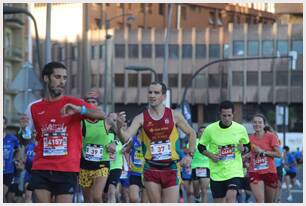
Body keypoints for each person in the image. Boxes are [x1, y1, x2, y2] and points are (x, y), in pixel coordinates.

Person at [23, 61, 109, 203]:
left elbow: (101, 114)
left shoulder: (73, 103)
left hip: (66, 167)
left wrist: (79, 110)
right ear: (46, 78)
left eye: (64, 78)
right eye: (57, 77)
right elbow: (29, 138)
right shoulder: (34, 108)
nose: (62, 81)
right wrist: (23, 131)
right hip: (42, 166)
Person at [117, 81, 196, 203]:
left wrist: (190, 155)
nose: (152, 95)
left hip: (171, 168)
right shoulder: (141, 118)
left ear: (164, 96)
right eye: (150, 92)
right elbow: (126, 137)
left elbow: (192, 133)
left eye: (156, 92)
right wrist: (118, 128)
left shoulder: (174, 115)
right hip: (151, 168)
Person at [198, 100, 250, 203]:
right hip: (217, 173)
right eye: (224, 115)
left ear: (233, 114)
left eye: (229, 115)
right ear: (219, 115)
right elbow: (201, 147)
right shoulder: (210, 129)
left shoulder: (240, 129)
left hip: (234, 171)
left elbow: (248, 146)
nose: (226, 118)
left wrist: (244, 149)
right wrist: (211, 155)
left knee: (231, 197)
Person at [79, 90, 117, 203]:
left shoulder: (106, 121)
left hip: (102, 164)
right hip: (85, 165)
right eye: (88, 101)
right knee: (87, 200)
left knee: (96, 196)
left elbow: (118, 133)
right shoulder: (81, 122)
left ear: (97, 104)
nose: (91, 103)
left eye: (94, 101)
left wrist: (114, 142)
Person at [247, 114, 281, 203]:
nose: (257, 124)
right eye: (255, 122)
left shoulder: (271, 136)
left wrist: (263, 152)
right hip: (255, 172)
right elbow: (249, 153)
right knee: (260, 201)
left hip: (270, 172)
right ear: (252, 124)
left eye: (260, 122)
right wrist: (244, 155)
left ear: (264, 124)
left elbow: (278, 154)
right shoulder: (249, 138)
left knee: (269, 202)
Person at [191, 125, 210, 203]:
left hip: (206, 167)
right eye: (200, 132)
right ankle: (197, 197)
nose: (202, 133)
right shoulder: (194, 141)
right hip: (195, 167)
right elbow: (190, 152)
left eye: (204, 132)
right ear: (198, 133)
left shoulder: (210, 143)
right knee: (196, 190)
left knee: (204, 190)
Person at [3, 116, 20, 203]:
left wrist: (16, 159)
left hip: (7, 171)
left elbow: (18, 149)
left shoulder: (12, 138)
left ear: (5, 125)